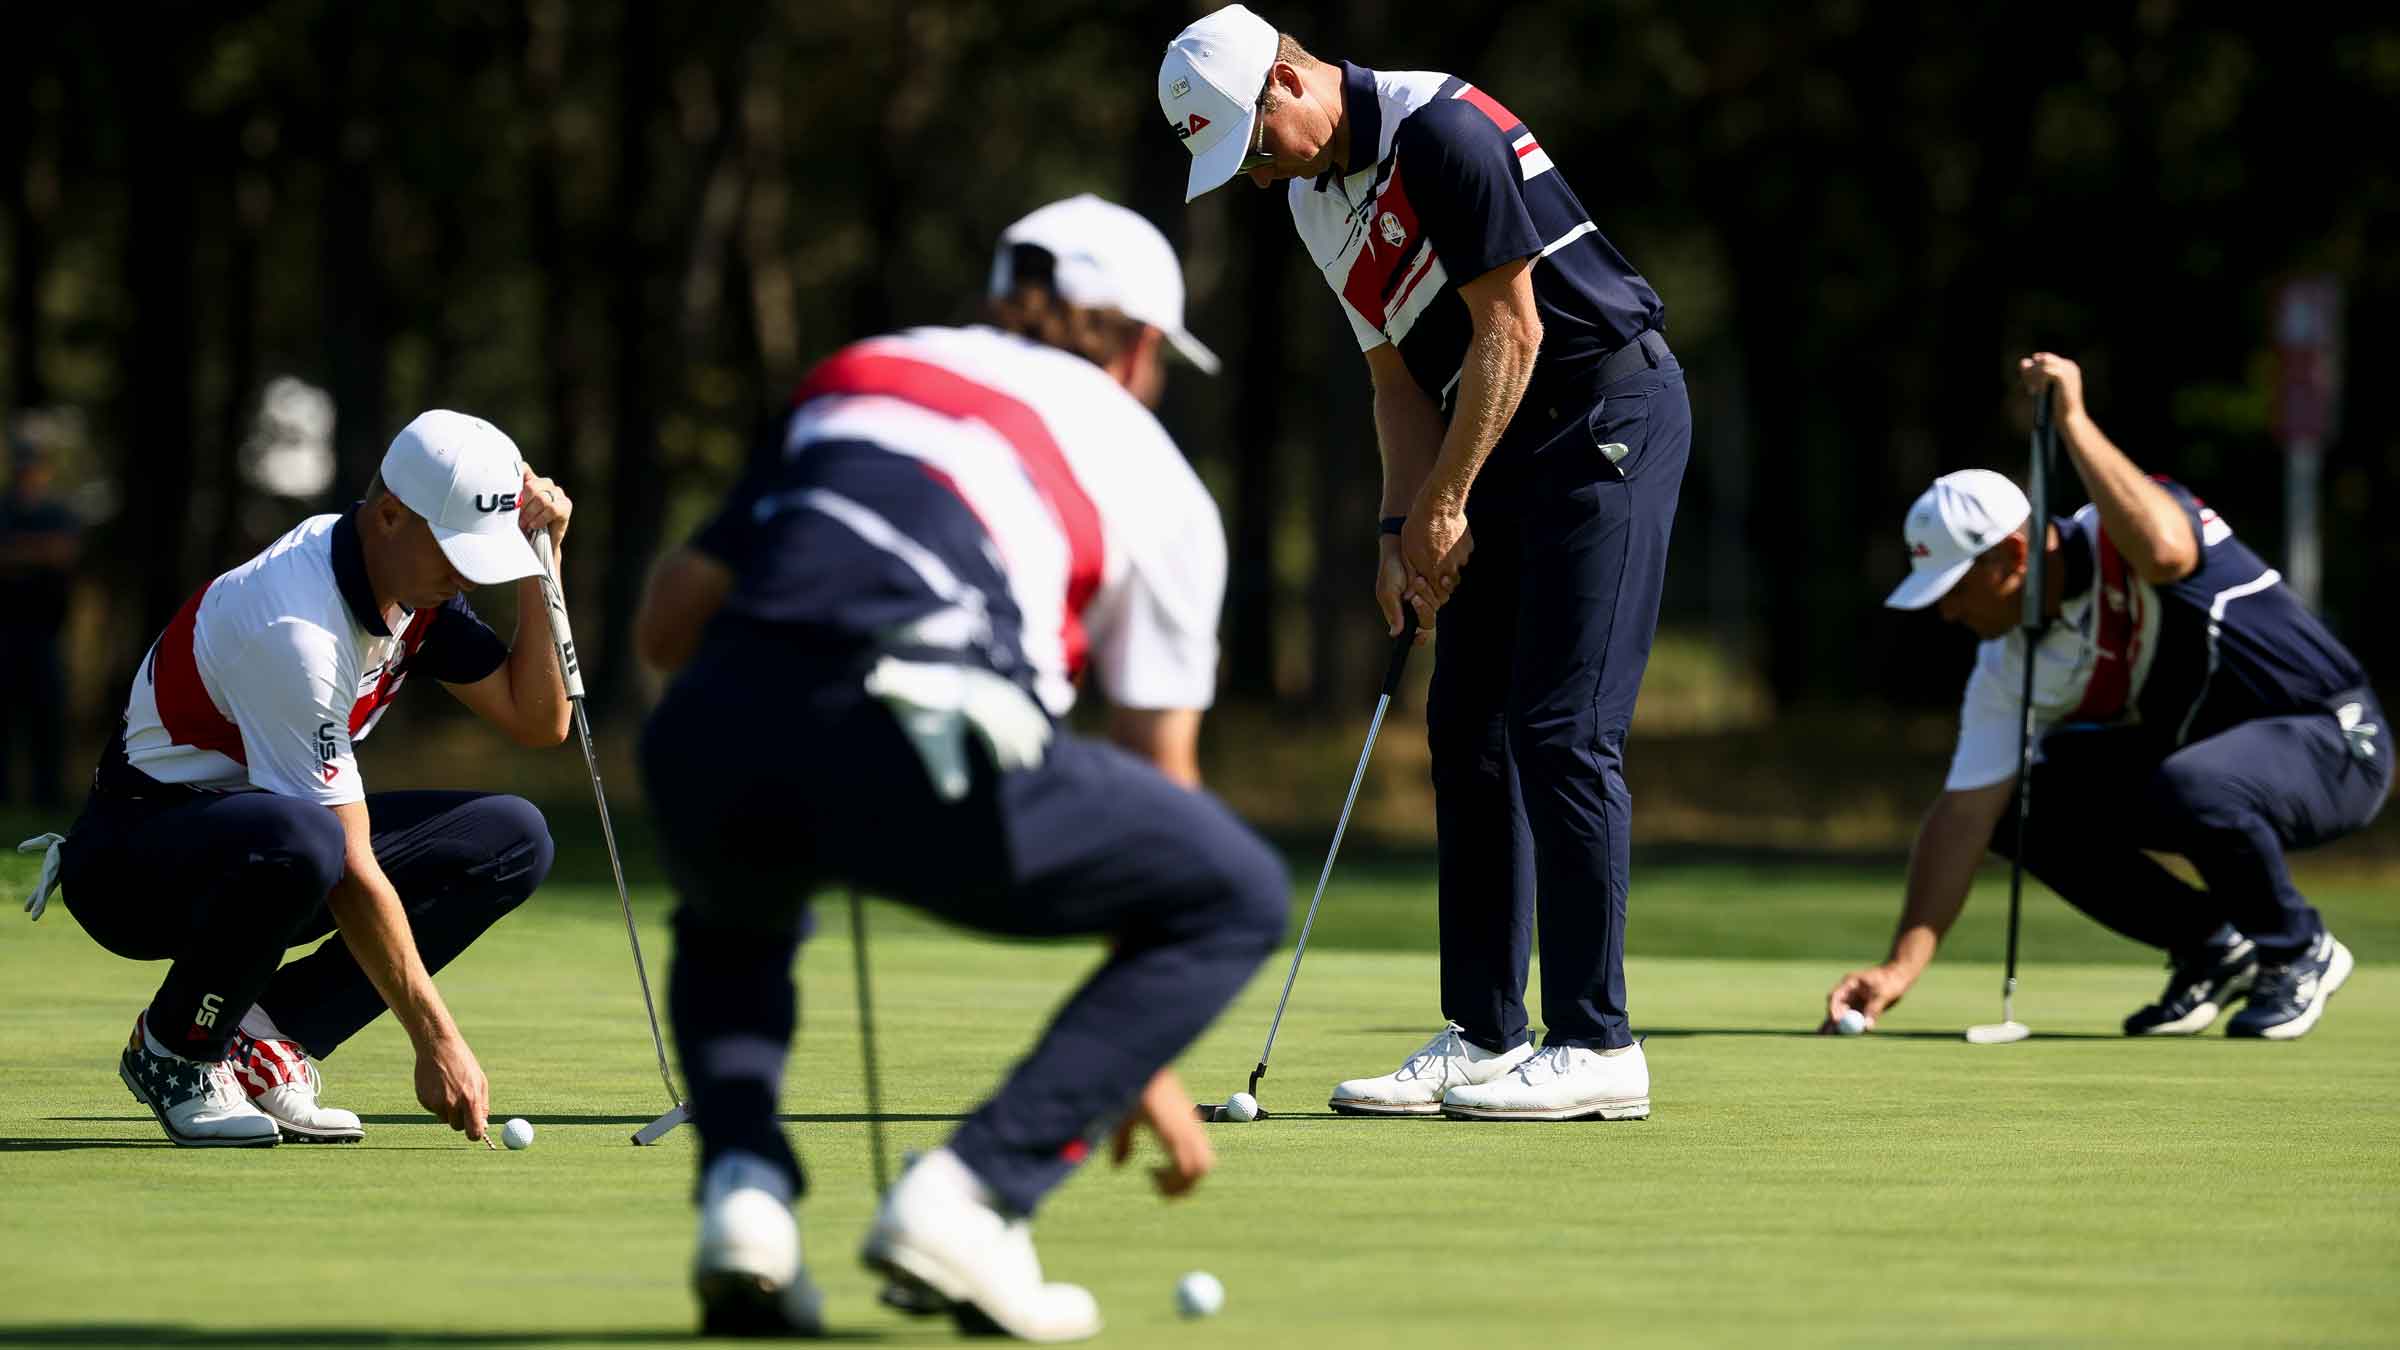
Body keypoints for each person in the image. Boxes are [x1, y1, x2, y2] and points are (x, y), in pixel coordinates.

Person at [631, 194, 1285, 1341]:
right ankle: (971, 1198)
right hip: (929, 744)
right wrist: (1132, 1054)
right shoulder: (1158, 470)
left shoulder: (863, 372)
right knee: (1236, 892)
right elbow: (1160, 782)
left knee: (737, 906)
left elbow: (667, 623)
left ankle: (744, 1191)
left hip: (708, 729)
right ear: (1137, 343)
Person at [1161, 6, 1689, 1120]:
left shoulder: (1440, 131)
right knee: (1468, 730)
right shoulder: (1312, 201)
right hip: (1493, 438)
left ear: (1288, 83)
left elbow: (1514, 331)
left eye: (1253, 146)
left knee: (1561, 728)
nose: (1256, 175)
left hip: (1605, 416)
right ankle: (1487, 1033)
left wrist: (1448, 501)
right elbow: (1397, 381)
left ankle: (1599, 1044)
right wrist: (1399, 532)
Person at [17, 411, 574, 1147]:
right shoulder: (297, 627)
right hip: (135, 867)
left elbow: (540, 720)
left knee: (510, 838)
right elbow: (348, 865)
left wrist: (542, 560)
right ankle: (176, 1050)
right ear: (389, 514)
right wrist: (436, 1039)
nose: (468, 573)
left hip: (263, 848)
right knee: (311, 840)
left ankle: (265, 1034)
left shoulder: (413, 588)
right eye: (456, 548)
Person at [1826, 353, 2388, 1040]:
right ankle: (2213, 944)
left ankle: (2298, 948)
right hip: (2209, 767)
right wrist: (1899, 968)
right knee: (2021, 805)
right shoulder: (2007, 662)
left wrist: (2072, 418)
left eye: (1956, 589)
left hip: (2335, 742)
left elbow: (2166, 552)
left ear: (2013, 558)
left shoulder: (2125, 530)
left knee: (2195, 784)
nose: (1947, 613)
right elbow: (1965, 811)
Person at [0, 437, 82, 808]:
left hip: (47, 632)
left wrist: (18, 553)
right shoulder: (5, 509)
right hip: (5, 631)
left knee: (47, 720)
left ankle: (47, 798)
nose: (27, 472)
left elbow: (64, 553)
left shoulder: (57, 512)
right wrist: (41, 552)